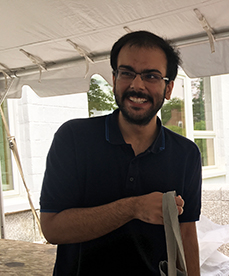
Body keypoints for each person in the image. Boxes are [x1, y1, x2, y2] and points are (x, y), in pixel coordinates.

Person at [40, 31, 202, 276]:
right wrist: (134, 208)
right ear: (114, 79)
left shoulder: (186, 153)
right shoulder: (73, 138)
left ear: (168, 88)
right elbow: (52, 229)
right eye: (127, 73)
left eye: (151, 76)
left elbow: (187, 232)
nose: (137, 85)